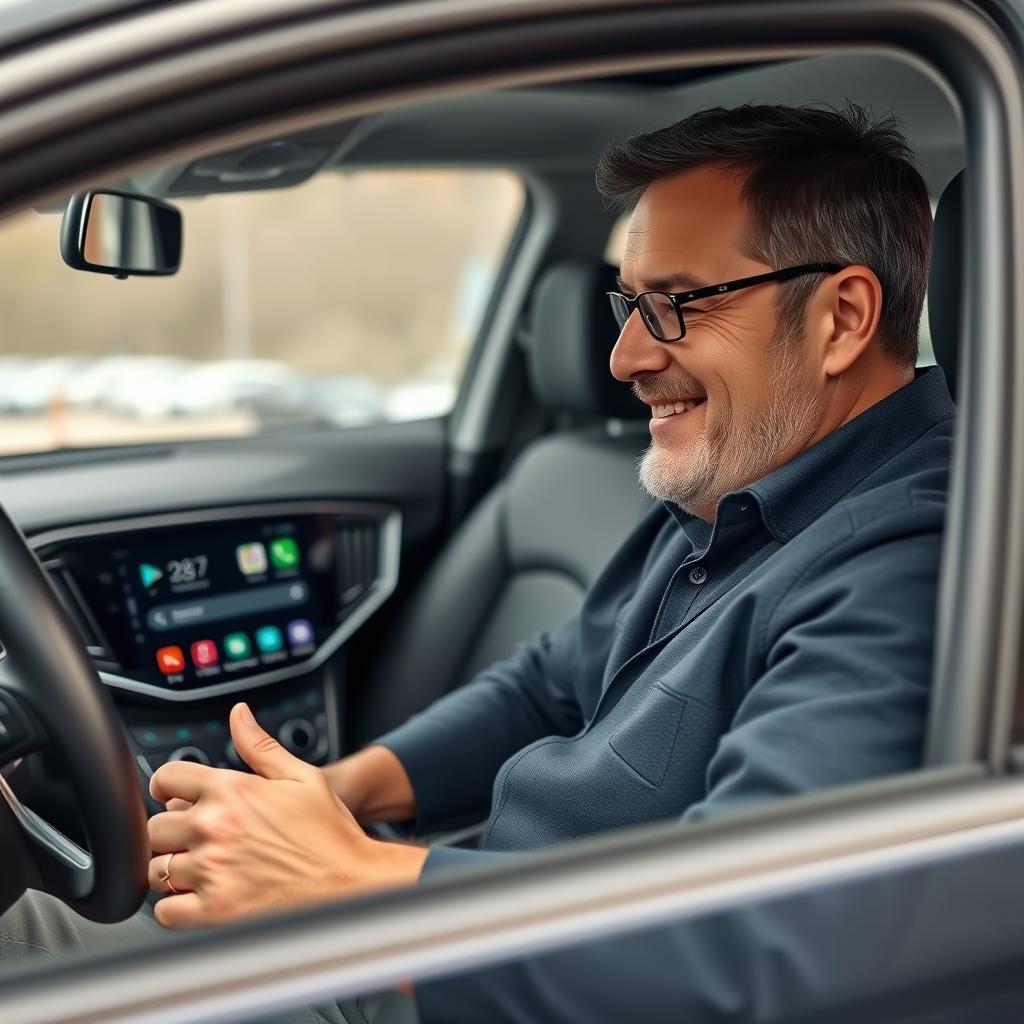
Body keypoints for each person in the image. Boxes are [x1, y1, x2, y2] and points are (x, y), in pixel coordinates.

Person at [0, 103, 953, 1023]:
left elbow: (744, 949)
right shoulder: (740, 486)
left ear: (842, 318)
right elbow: (551, 684)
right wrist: (343, 790)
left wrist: (347, 877)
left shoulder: (911, 566)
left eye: (672, 306)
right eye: (630, 303)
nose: (622, 356)